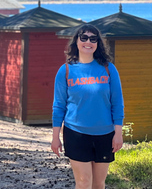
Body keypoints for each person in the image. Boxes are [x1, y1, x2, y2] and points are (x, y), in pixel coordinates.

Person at [51, 24, 124, 189]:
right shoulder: (66, 70)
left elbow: (117, 103)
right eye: (83, 38)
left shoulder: (109, 69)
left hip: (105, 134)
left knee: (98, 184)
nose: (88, 42)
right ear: (76, 42)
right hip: (76, 133)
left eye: (93, 38)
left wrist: (118, 133)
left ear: (98, 43)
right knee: (84, 182)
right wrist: (55, 137)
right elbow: (58, 106)